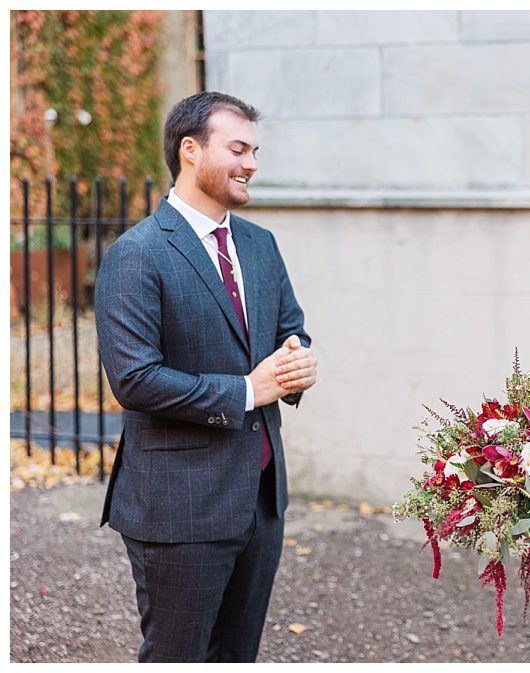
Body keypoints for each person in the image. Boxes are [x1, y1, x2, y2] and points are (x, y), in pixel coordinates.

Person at [95, 91, 317, 662]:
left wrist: (296, 363)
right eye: (238, 149)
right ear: (190, 150)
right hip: (179, 507)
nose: (252, 164)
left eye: (255, 150)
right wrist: (249, 389)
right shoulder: (136, 254)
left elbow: (289, 332)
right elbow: (135, 379)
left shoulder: (260, 245)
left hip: (261, 500)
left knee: (236, 657)